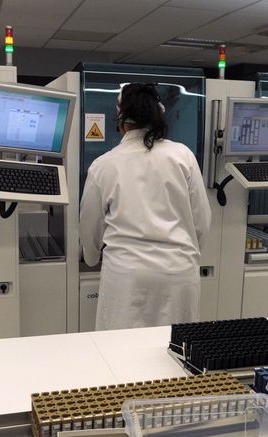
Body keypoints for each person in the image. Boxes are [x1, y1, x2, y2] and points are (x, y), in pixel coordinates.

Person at [80, 82, 211, 331]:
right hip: (178, 274)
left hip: (127, 278)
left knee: (123, 348)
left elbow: (89, 227)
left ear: (120, 117)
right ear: (157, 113)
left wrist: (91, 257)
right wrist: (186, 254)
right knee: (176, 347)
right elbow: (202, 222)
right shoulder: (183, 156)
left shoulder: (104, 164)